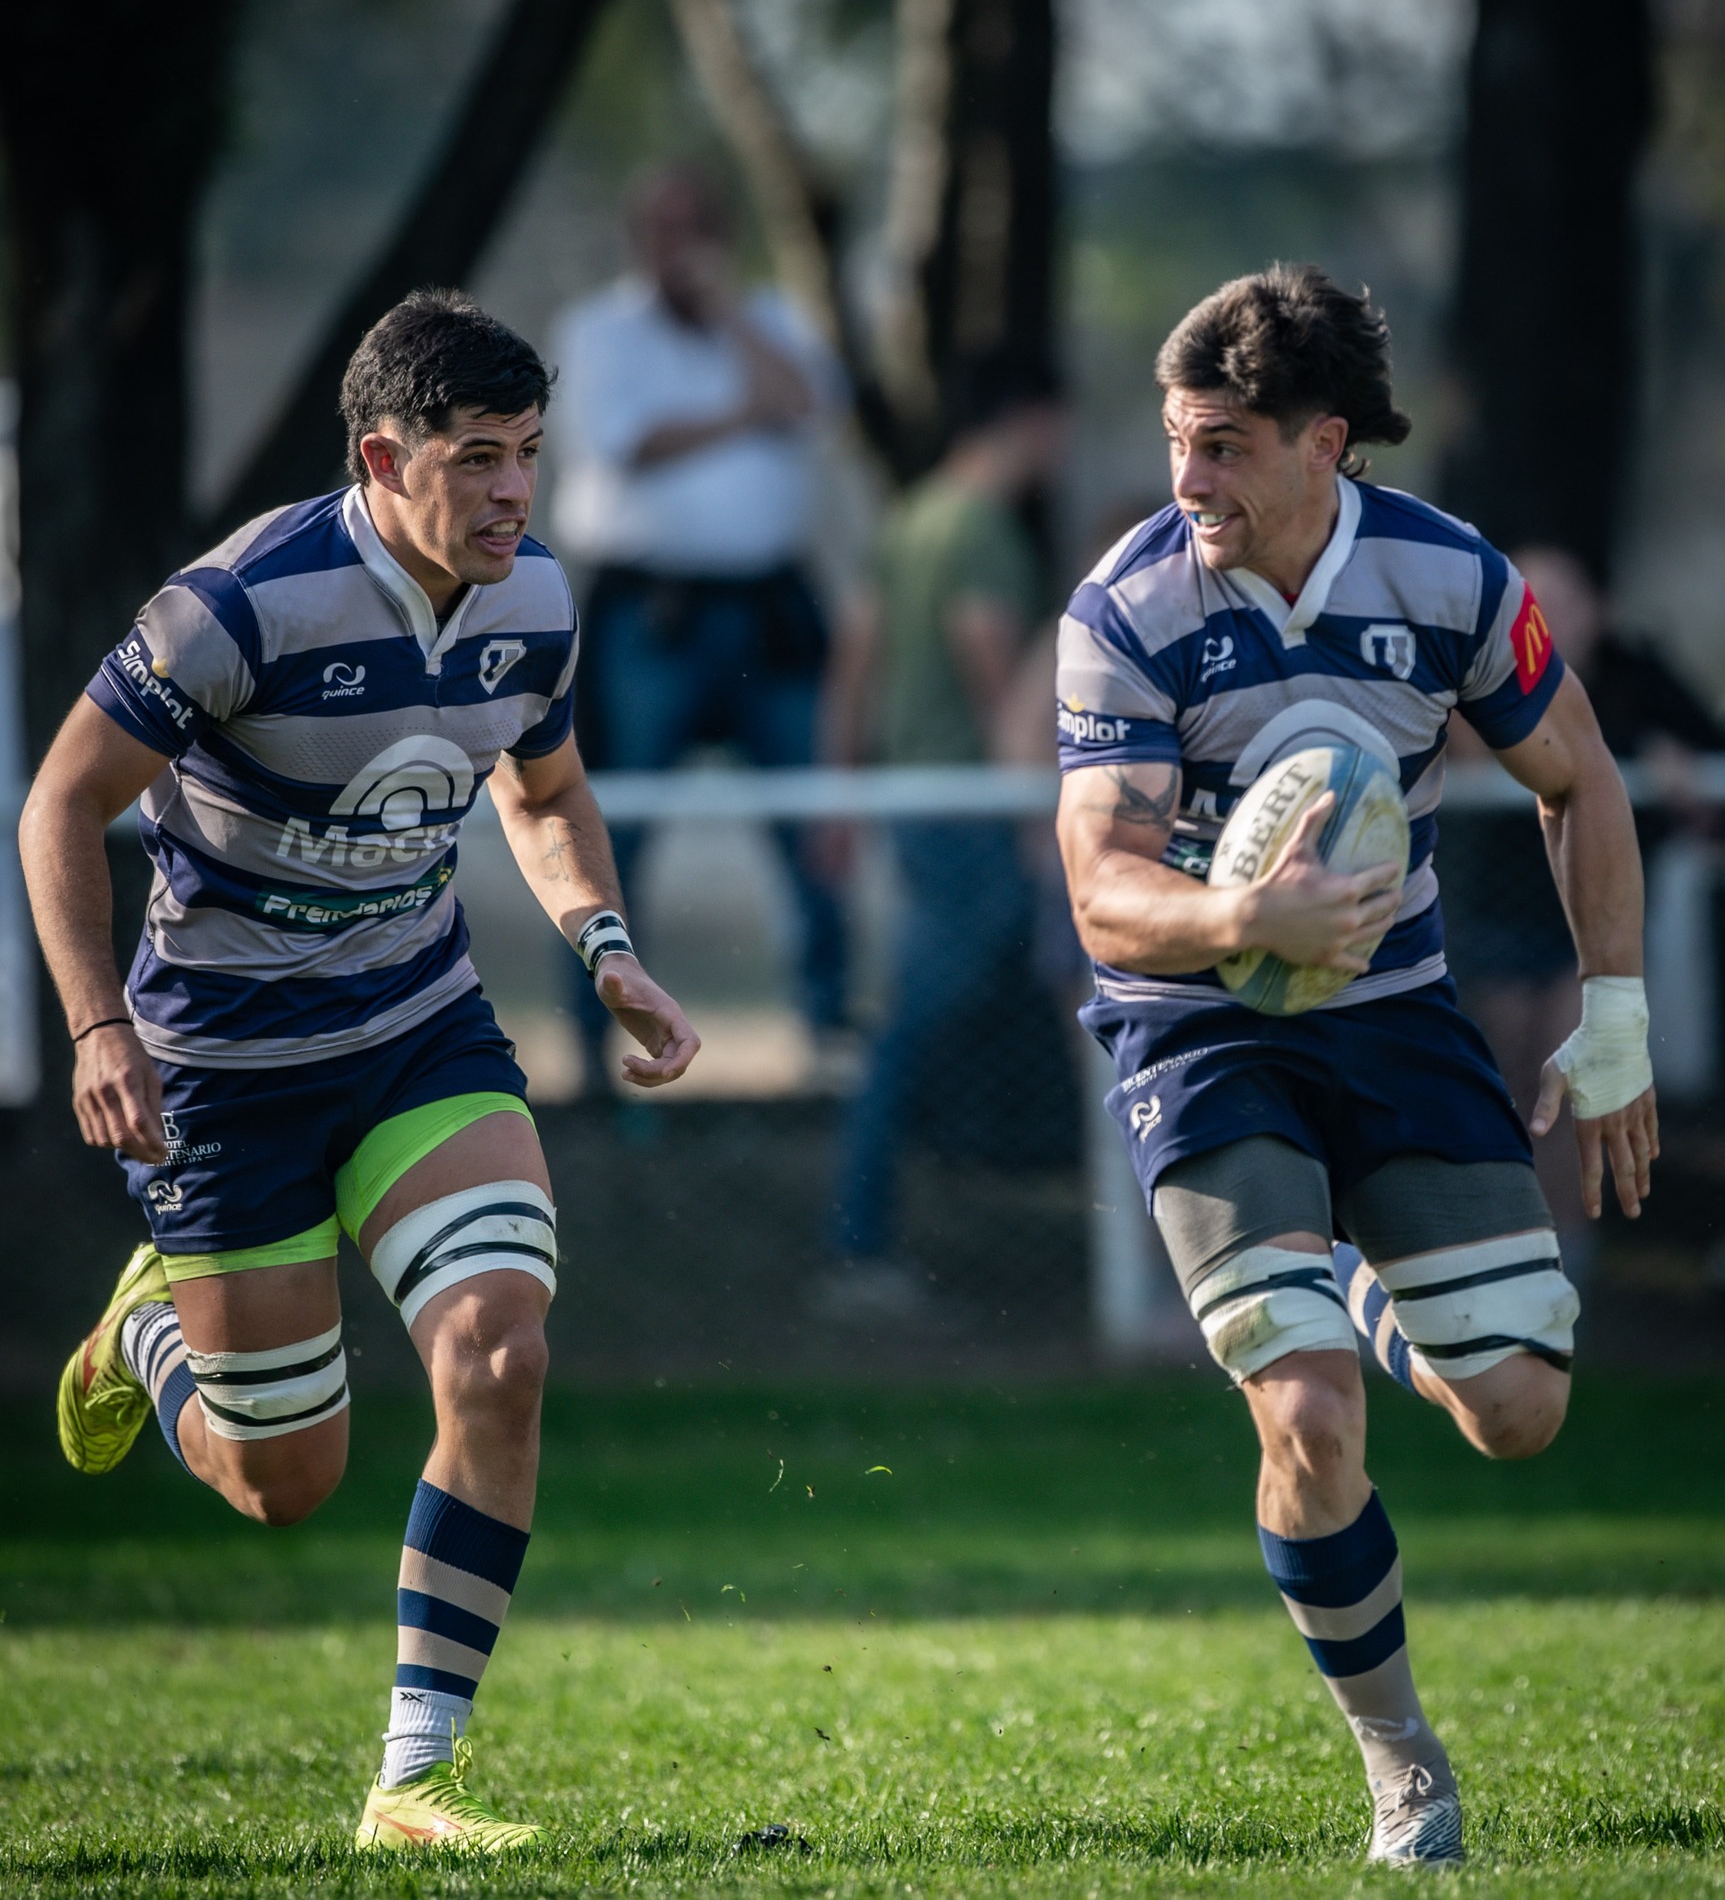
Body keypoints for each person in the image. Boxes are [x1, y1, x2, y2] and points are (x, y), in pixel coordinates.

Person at [22, 291, 699, 1852]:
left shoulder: (535, 599)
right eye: (477, 460)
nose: (514, 493)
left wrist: (607, 949)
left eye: (529, 454)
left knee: (501, 1355)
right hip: (223, 1067)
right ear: (384, 460)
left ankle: (415, 1778)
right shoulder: (243, 605)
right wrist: (98, 1029)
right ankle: (146, 1339)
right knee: (282, 1484)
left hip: (416, 1030)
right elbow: (60, 802)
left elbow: (545, 792)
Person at [1054, 265, 1657, 1865]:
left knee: (1517, 1407)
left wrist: (1613, 1016)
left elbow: (1580, 776)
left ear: (1326, 443)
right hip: (1195, 1025)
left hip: (1393, 1013)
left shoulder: (1448, 577)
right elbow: (1099, 886)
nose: (1188, 479)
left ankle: (1353, 1274)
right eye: (1177, 440)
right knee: (1309, 1411)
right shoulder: (1127, 610)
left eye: (1226, 446)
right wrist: (1240, 918)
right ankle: (1402, 1764)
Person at [549, 164, 848, 1083]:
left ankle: (829, 1036)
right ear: (637, 238)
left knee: (813, 823)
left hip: (769, 610)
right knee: (611, 830)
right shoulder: (597, 330)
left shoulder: (771, 321)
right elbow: (623, 443)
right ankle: (594, 1048)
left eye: (695, 227)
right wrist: (744, 414)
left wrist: (730, 318)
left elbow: (809, 403)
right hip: (650, 615)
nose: (679, 247)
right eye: (662, 228)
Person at [820, 362, 1067, 1319]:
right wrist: (1039, 811)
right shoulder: (981, 530)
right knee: (917, 1023)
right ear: (1029, 418)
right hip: (973, 814)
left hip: (917, 807)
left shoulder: (912, 516)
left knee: (945, 1014)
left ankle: (938, 1215)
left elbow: (855, 659)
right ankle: (860, 1243)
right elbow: (995, 676)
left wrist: (839, 795)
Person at [1443, 545, 1725, 1241]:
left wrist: (1656, 748)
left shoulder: (1634, 674)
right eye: (1533, 602)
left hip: (1594, 926)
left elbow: (1700, 747)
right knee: (1508, 1082)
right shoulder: (1469, 674)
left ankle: (1564, 1253)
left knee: (1572, 1085)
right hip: (1492, 920)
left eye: (1564, 602)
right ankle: (1498, 1242)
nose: (1549, 618)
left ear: (1598, 612)